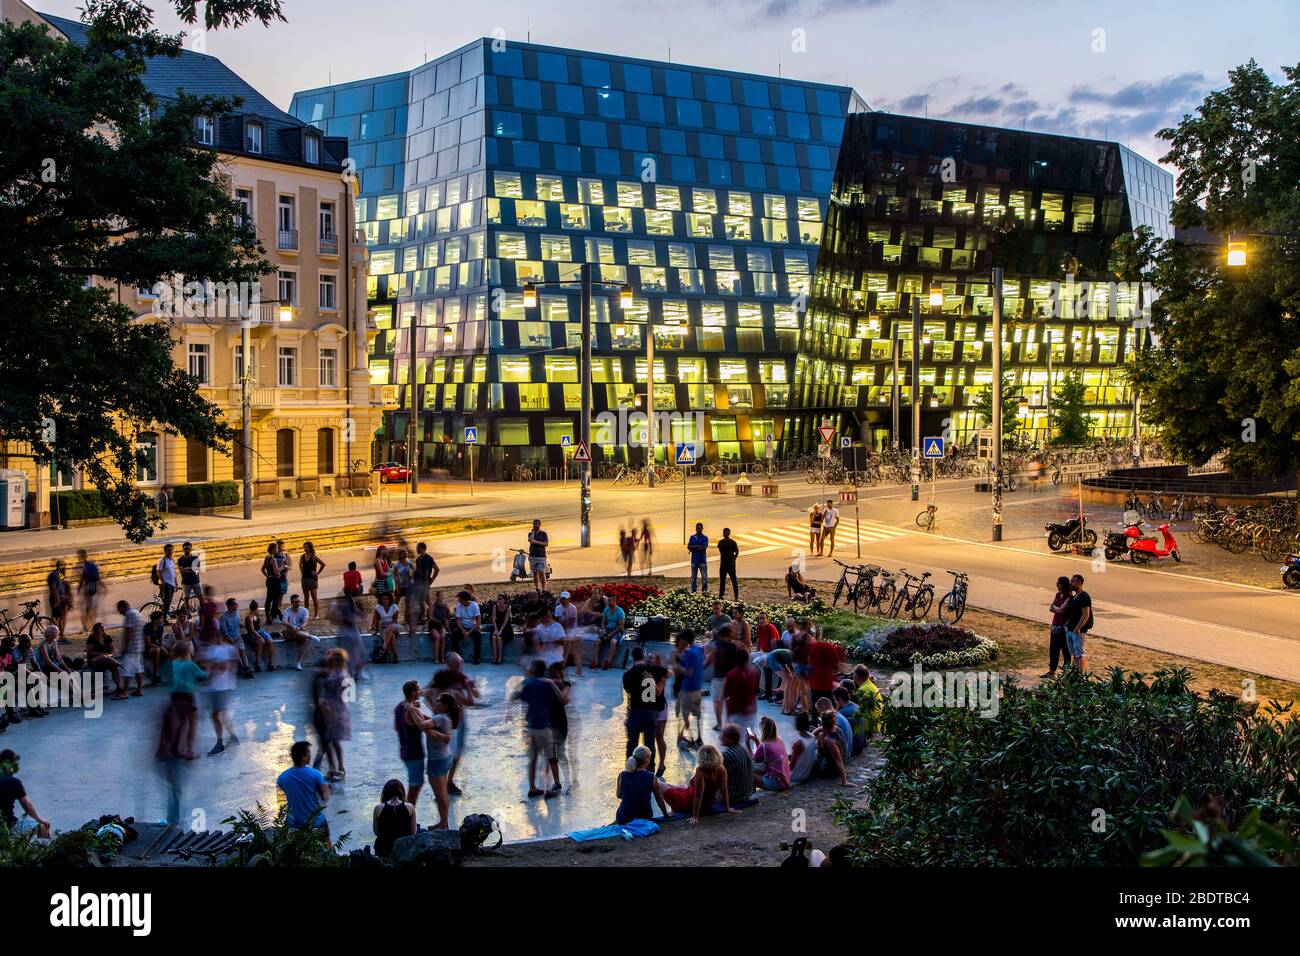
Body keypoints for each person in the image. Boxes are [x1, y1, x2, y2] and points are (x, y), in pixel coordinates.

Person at [428, 654, 479, 796]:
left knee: (454, 753)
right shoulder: (445, 680)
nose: (459, 666)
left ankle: (447, 782)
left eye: (460, 663)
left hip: (456, 721)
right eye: (456, 664)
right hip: (450, 723)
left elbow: (475, 697)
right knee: (448, 754)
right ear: (448, 664)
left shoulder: (458, 678)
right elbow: (471, 701)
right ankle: (444, 784)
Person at [512, 658, 563, 798]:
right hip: (545, 725)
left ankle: (532, 788)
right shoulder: (549, 683)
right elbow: (561, 699)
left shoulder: (527, 682)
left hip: (531, 725)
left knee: (533, 759)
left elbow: (514, 696)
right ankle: (553, 786)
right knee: (550, 757)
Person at [663, 744, 736, 822]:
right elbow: (724, 790)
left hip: (689, 803)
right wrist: (727, 808)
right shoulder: (722, 769)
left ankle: (674, 809)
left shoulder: (701, 771)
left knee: (660, 785)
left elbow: (698, 794)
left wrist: (695, 816)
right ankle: (674, 809)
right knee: (674, 786)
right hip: (708, 804)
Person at [199, 620, 239, 756]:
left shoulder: (224, 649)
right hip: (216, 687)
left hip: (222, 686)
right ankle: (232, 736)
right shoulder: (211, 649)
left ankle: (220, 742)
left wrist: (209, 672)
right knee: (221, 712)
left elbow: (222, 667)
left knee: (216, 713)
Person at [276, 740, 330, 837]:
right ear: (303, 757)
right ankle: (330, 850)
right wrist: (326, 784)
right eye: (308, 752)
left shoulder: (282, 777)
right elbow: (325, 797)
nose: (310, 755)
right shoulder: (316, 775)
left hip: (293, 823)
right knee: (327, 840)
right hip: (315, 822)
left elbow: (281, 803)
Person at [314, 649, 352, 779]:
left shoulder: (337, 675)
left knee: (331, 740)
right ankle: (335, 767)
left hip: (333, 709)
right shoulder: (343, 673)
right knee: (330, 741)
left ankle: (337, 767)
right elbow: (351, 695)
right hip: (338, 708)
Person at [0, 749, 51, 839]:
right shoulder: (13, 782)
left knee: (22, 832)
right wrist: (38, 819)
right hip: (6, 825)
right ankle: (43, 851)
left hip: (7, 823)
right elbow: (27, 805)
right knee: (44, 826)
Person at [622, 647, 662, 760]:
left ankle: (630, 770)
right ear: (643, 656)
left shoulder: (627, 674)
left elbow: (628, 693)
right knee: (650, 745)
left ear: (632, 657)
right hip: (650, 711)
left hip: (635, 711)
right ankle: (650, 771)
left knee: (632, 744)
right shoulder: (651, 671)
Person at [394, 680, 427, 817]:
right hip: (414, 754)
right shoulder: (411, 712)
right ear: (413, 692)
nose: (420, 691)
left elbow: (396, 727)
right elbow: (425, 725)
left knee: (414, 786)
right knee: (415, 787)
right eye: (418, 689)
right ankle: (408, 818)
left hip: (404, 751)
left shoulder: (399, 707)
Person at [168, 640, 206, 759]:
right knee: (192, 723)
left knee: (182, 722)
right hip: (187, 695)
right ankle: (190, 750)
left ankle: (175, 748)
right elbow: (203, 676)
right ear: (189, 651)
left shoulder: (174, 663)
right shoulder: (191, 665)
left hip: (175, 695)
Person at [615, 745, 668, 824]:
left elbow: (619, 795)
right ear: (646, 760)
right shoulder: (651, 776)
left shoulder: (622, 775)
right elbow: (659, 800)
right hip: (644, 817)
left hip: (623, 818)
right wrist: (666, 815)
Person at [546, 661, 576, 789]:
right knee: (552, 753)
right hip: (551, 721)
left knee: (559, 752)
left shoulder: (565, 684)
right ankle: (558, 782)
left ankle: (565, 780)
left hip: (558, 722)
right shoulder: (553, 684)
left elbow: (562, 700)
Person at [672, 629, 705, 748]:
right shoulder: (699, 650)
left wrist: (677, 666)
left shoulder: (689, 652)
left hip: (688, 689)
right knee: (697, 715)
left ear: (685, 640)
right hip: (697, 688)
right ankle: (699, 738)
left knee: (684, 716)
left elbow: (689, 671)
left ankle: (682, 739)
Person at [372, 779, 417, 858]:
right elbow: (413, 833)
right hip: (404, 849)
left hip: (384, 850)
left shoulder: (378, 808)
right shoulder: (410, 807)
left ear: (384, 793)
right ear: (402, 792)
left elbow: (376, 832)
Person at [722, 645, 760, 737]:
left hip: (736, 711)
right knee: (750, 736)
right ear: (747, 659)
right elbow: (756, 691)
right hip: (751, 711)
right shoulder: (755, 672)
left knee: (736, 738)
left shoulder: (731, 674)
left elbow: (725, 693)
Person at [746, 716, 790, 791]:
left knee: (748, 772)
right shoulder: (779, 740)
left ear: (763, 730)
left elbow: (753, 760)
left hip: (777, 783)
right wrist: (756, 741)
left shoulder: (764, 745)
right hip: (785, 779)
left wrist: (747, 744)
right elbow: (762, 754)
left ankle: (751, 794)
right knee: (757, 769)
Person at [85, 622, 127, 700]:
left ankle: (119, 688)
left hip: (106, 659)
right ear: (96, 629)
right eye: (101, 627)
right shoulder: (91, 638)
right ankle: (120, 664)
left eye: (104, 627)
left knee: (114, 667)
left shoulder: (107, 637)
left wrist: (110, 654)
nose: (103, 628)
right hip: (94, 660)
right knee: (104, 656)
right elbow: (89, 653)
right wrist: (103, 654)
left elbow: (113, 649)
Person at [807, 630, 846, 712]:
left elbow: (809, 661)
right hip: (826, 681)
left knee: (815, 702)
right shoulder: (831, 648)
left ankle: (815, 720)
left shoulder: (813, 647)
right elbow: (837, 666)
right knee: (829, 702)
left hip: (814, 681)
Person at [719, 724, 755, 807]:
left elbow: (715, 776)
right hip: (746, 793)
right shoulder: (742, 748)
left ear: (731, 739)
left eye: (723, 736)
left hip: (735, 797)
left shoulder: (727, 754)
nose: (720, 738)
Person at [281, 594, 320, 670]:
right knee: (294, 630)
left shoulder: (304, 610)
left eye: (298, 601)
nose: (297, 603)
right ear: (291, 602)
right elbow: (284, 622)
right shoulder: (287, 611)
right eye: (295, 602)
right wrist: (292, 626)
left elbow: (305, 623)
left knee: (307, 641)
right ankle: (310, 636)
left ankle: (298, 663)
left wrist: (300, 627)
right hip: (290, 632)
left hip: (300, 631)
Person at [1044, 575, 1073, 677]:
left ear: (1063, 585)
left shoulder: (1069, 597)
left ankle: (1066, 672)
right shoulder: (1058, 595)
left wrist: (1057, 609)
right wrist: (1057, 609)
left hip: (1064, 628)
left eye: (1059, 583)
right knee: (1054, 649)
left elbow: (1061, 610)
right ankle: (1052, 670)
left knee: (1066, 650)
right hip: (1055, 626)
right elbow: (1051, 608)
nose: (1057, 585)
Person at [116, 600, 146, 697]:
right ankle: (140, 689)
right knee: (138, 668)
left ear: (122, 608)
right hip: (139, 645)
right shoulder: (137, 613)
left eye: (120, 611)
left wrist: (124, 647)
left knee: (127, 669)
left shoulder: (129, 615)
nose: (121, 613)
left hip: (131, 647)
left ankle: (124, 692)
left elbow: (128, 632)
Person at [811, 709, 849, 785]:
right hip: (831, 761)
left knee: (809, 761)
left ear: (823, 723)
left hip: (830, 770)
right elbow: (821, 729)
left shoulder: (829, 741)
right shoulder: (837, 729)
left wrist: (844, 781)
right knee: (820, 734)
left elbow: (838, 760)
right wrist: (811, 735)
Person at [1065, 573, 1093, 672]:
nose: (1070, 583)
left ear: (1079, 582)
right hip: (1070, 629)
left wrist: (1077, 628)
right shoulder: (1075, 596)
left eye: (1073, 581)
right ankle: (1075, 674)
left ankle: (1083, 676)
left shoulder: (1084, 596)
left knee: (1080, 653)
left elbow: (1086, 615)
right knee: (1075, 654)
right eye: (1070, 581)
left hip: (1078, 631)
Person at [410, 542, 439, 636]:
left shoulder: (428, 558)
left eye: (417, 548)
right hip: (419, 583)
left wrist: (432, 579)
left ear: (422, 548)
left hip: (424, 583)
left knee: (422, 601)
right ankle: (434, 614)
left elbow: (437, 569)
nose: (416, 549)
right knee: (427, 600)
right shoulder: (419, 559)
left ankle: (423, 617)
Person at [450, 590, 482, 665]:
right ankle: (458, 658)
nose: (459, 601)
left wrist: (469, 632)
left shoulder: (474, 605)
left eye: (460, 599)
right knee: (454, 636)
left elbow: (478, 621)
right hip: (462, 626)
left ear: (465, 599)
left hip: (473, 627)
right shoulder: (458, 606)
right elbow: (458, 620)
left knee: (478, 637)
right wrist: (463, 630)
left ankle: (477, 658)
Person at [787, 712, 818, 785]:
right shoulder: (812, 737)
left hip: (796, 776)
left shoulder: (798, 742)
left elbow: (791, 766)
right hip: (806, 773)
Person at [243, 600, 276, 672]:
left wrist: (265, 635)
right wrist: (260, 637)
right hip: (252, 634)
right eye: (258, 608)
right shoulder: (249, 618)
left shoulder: (256, 616)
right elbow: (252, 630)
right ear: (255, 609)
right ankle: (257, 663)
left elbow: (259, 627)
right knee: (260, 642)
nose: (258, 610)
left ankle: (271, 663)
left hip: (259, 632)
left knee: (270, 641)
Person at [595, 592, 625, 669]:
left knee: (613, 642)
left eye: (610, 601)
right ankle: (596, 661)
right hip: (608, 629)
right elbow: (604, 622)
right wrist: (603, 630)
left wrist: (611, 635)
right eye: (608, 600)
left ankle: (608, 662)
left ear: (615, 601)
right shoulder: (606, 610)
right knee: (598, 641)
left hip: (616, 631)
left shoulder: (620, 612)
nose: (608, 602)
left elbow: (620, 626)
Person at [553, 591, 580, 673]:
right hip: (561, 628)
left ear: (569, 599)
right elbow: (557, 622)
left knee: (567, 639)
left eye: (565, 599)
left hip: (571, 629)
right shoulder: (557, 608)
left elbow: (571, 623)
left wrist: (562, 623)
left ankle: (564, 660)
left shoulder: (573, 608)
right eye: (562, 599)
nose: (563, 601)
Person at [373, 592, 403, 663]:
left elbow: (395, 620)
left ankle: (384, 648)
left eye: (387, 599)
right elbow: (377, 620)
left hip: (395, 626)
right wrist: (376, 630)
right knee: (392, 635)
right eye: (383, 599)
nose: (385, 600)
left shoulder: (394, 607)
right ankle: (395, 655)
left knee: (392, 626)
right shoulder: (378, 607)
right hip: (384, 628)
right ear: (381, 599)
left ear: (390, 599)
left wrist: (389, 625)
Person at [76, 549, 101, 633]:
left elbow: (82, 579)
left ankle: (87, 627)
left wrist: (79, 589)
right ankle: (90, 626)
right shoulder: (92, 565)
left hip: (87, 590)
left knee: (87, 609)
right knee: (90, 608)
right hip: (94, 589)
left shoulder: (85, 566)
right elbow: (98, 578)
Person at [142, 610, 168, 685]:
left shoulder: (160, 627)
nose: (162, 620)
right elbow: (148, 643)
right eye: (161, 618)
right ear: (156, 620)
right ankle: (156, 673)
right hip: (147, 648)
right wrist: (160, 647)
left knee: (168, 651)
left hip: (156, 646)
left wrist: (162, 647)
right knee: (157, 650)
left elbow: (160, 641)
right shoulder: (147, 627)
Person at [299, 541, 325, 618]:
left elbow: (323, 564)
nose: (305, 548)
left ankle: (316, 614)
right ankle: (305, 614)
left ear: (311, 548)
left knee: (314, 596)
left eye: (307, 547)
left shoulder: (313, 556)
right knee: (306, 597)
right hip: (304, 578)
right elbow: (300, 564)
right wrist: (301, 572)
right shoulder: (302, 556)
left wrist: (317, 573)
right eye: (305, 547)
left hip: (312, 579)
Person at [46, 559, 71, 633]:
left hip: (60, 599)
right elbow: (54, 590)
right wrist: (58, 601)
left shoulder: (58, 574)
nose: (65, 570)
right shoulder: (53, 575)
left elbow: (62, 584)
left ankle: (58, 634)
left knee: (59, 618)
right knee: (58, 618)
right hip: (58, 600)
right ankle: (57, 635)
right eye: (64, 568)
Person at [260, 543, 282, 623]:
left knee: (269, 598)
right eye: (276, 548)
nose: (277, 550)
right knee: (276, 599)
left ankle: (267, 616)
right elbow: (277, 572)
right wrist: (282, 565)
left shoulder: (267, 558)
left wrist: (268, 576)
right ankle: (274, 616)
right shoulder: (273, 559)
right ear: (272, 549)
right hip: (275, 581)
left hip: (269, 580)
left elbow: (262, 569)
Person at [489, 594, 513, 666]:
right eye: (498, 599)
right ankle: (495, 657)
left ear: (504, 600)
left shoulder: (508, 607)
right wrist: (496, 629)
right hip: (497, 626)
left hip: (506, 627)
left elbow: (506, 620)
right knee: (493, 637)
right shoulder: (495, 607)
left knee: (499, 638)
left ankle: (499, 658)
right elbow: (493, 619)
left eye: (500, 599)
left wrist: (500, 631)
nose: (499, 601)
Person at [155, 544, 178, 619]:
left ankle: (163, 617)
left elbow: (173, 572)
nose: (170, 551)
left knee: (168, 602)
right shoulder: (162, 560)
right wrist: (164, 583)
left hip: (171, 584)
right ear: (165, 551)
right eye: (168, 550)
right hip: (165, 584)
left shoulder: (172, 560)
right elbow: (158, 572)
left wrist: (176, 583)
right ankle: (163, 619)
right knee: (167, 602)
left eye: (171, 550)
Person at [716, 528, 740, 600]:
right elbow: (720, 550)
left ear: (729, 533)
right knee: (722, 581)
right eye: (724, 532)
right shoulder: (720, 542)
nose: (725, 534)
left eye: (726, 532)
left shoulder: (733, 542)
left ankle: (736, 596)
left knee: (734, 580)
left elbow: (737, 552)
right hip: (723, 564)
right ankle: (721, 595)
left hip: (731, 565)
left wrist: (733, 559)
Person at [178, 541, 202, 609]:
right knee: (186, 599)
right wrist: (191, 569)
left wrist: (187, 569)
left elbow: (197, 570)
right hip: (186, 582)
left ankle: (203, 612)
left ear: (191, 549)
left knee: (200, 597)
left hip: (195, 581)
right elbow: (182, 571)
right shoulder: (180, 559)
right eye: (185, 549)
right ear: (183, 549)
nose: (187, 550)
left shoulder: (195, 558)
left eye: (188, 548)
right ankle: (188, 614)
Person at [527, 519, 549, 592]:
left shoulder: (543, 534)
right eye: (534, 524)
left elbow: (546, 544)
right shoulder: (530, 533)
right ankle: (537, 588)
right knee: (535, 573)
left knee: (541, 572)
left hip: (541, 556)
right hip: (532, 556)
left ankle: (544, 588)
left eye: (536, 524)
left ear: (540, 525)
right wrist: (533, 532)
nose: (535, 526)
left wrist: (536, 542)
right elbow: (530, 540)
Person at [428, 591, 450, 664]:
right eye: (440, 595)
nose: (442, 597)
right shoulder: (433, 606)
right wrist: (437, 621)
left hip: (442, 625)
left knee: (443, 636)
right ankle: (436, 658)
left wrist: (447, 624)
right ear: (437, 596)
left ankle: (442, 658)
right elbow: (430, 617)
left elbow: (448, 617)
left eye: (442, 595)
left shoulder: (445, 605)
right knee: (437, 637)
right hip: (433, 625)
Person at [687, 522, 709, 593]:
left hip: (702, 560)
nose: (697, 529)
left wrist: (694, 547)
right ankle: (693, 592)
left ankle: (704, 592)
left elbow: (704, 548)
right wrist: (698, 546)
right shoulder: (692, 537)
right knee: (693, 578)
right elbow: (689, 546)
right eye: (696, 528)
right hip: (694, 561)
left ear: (702, 529)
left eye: (699, 528)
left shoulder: (705, 538)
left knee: (704, 578)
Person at [392, 548, 414, 613]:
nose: (405, 554)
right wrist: (396, 587)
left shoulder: (409, 563)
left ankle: (405, 619)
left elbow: (415, 570)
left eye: (406, 552)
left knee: (407, 603)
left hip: (408, 585)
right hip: (400, 586)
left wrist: (412, 575)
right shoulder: (397, 565)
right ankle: (393, 617)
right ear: (400, 555)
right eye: (403, 553)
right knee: (395, 603)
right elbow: (394, 576)